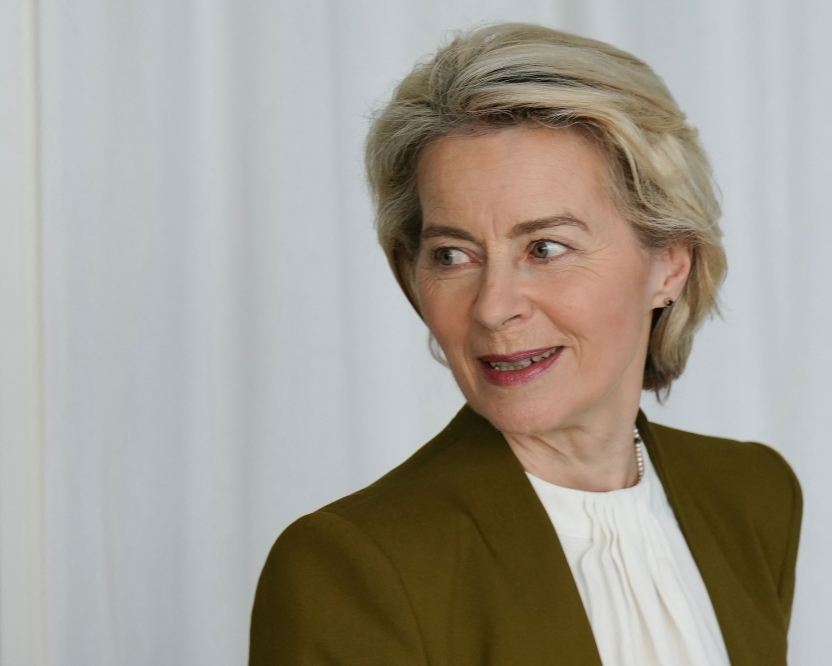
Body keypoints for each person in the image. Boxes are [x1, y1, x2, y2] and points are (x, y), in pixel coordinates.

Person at [249, 22, 802, 666]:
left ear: (669, 264)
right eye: (452, 254)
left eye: (545, 248)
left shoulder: (754, 496)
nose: (492, 306)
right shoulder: (352, 567)